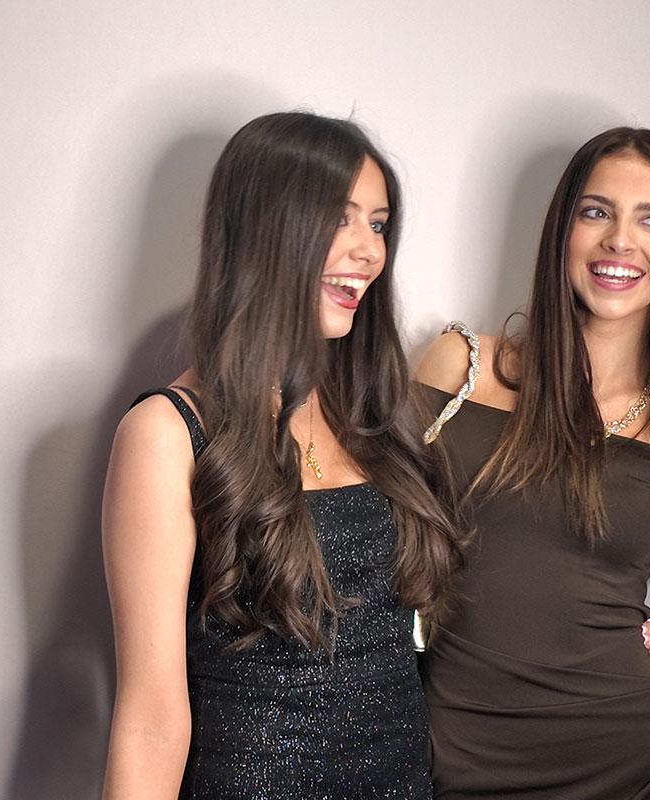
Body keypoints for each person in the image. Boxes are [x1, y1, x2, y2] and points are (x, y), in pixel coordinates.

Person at [99, 112, 468, 800]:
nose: (369, 251)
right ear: (262, 228)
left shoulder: (375, 414)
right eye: (340, 219)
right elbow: (150, 721)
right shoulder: (167, 433)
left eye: (379, 225)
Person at [417, 126, 650, 799]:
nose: (620, 240)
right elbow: (360, 541)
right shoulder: (460, 369)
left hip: (636, 769)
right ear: (562, 229)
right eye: (596, 212)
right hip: (452, 760)